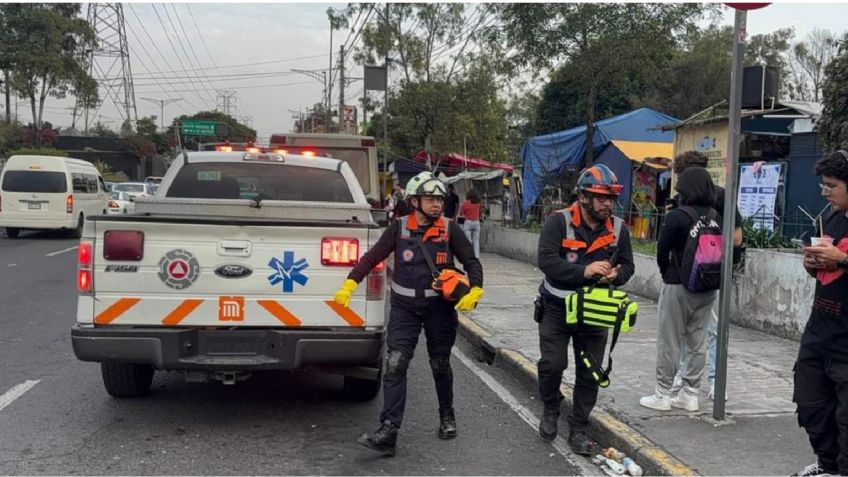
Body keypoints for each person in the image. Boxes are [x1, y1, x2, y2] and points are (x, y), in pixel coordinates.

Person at [332, 171, 484, 457]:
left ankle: (447, 415)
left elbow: (471, 261)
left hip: (439, 308)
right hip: (404, 308)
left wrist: (476, 288)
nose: (436, 204)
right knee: (395, 363)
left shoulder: (451, 230)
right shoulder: (398, 228)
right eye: (430, 199)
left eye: (439, 199)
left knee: (440, 364)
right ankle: (389, 430)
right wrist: (351, 282)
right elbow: (373, 256)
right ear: (415, 201)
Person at [536, 164, 634, 455]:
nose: (607, 204)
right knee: (552, 364)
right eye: (600, 198)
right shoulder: (558, 222)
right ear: (583, 197)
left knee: (590, 372)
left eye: (610, 198)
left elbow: (628, 265)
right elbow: (547, 262)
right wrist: (585, 271)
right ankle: (551, 407)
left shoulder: (618, 228)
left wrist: (618, 274)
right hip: (557, 307)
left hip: (594, 311)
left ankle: (578, 427)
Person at [640, 167, 722, 413]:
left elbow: (662, 250)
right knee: (698, 342)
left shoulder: (677, 216)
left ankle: (663, 394)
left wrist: (667, 275)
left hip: (678, 285)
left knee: (670, 340)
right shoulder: (714, 215)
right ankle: (690, 394)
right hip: (707, 286)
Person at [667, 151, 744, 401]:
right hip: (704, 273)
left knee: (704, 329)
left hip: (702, 274)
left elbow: (736, 236)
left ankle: (708, 381)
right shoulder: (699, 198)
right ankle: (695, 380)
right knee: (699, 330)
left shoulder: (718, 197)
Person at [791, 149, 848, 477]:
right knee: (811, 406)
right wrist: (812, 264)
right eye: (823, 186)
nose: (825, 192)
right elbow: (824, 273)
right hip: (819, 334)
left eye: (832, 186)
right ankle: (827, 464)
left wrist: (840, 259)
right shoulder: (829, 218)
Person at [459, 189, 483, 258]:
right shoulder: (479, 203)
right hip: (476, 222)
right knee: (476, 240)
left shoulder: (466, 203)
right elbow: (480, 212)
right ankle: (476, 256)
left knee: (468, 240)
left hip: (468, 222)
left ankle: (469, 255)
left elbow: (461, 213)